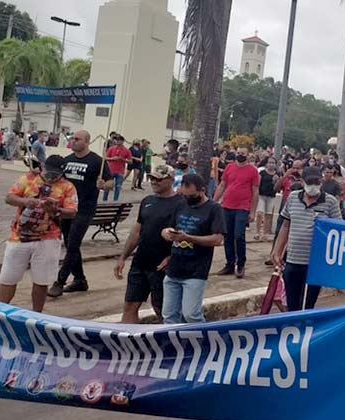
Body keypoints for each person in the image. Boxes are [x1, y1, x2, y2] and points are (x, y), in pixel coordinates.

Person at [0, 155, 78, 312]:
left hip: (48, 238)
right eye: (48, 172)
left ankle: (37, 314)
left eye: (56, 174)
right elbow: (9, 197)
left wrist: (56, 210)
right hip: (19, 236)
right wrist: (26, 201)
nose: (51, 176)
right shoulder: (28, 178)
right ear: (43, 167)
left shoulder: (67, 186)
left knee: (41, 280)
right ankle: (1, 313)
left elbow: (72, 211)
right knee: (8, 278)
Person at [114, 165, 183, 322]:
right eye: (152, 178)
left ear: (171, 180)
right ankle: (129, 342)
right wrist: (123, 257)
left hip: (162, 264)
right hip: (141, 261)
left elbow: (184, 236)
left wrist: (172, 257)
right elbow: (136, 231)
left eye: (159, 179)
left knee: (160, 307)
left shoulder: (180, 204)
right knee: (130, 304)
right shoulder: (147, 201)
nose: (154, 182)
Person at [48, 130, 112, 298]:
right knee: (70, 245)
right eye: (73, 139)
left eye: (78, 139)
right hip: (67, 210)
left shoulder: (98, 161)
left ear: (87, 141)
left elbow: (111, 182)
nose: (74, 141)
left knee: (73, 244)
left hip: (84, 210)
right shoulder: (67, 160)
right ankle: (80, 280)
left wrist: (104, 184)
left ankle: (60, 281)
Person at [271, 166, 342, 311]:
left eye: (316, 182)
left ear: (321, 182)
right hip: (292, 259)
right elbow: (286, 225)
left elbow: (338, 231)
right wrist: (277, 251)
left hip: (315, 263)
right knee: (291, 303)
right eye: (310, 182)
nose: (313, 185)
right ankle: (294, 329)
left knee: (307, 304)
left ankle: (304, 329)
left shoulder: (330, 202)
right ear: (303, 182)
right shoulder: (293, 197)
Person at [159, 174, 224, 324]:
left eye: (192, 196)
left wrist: (189, 238)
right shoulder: (180, 205)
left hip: (196, 271)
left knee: (191, 315)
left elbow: (217, 239)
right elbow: (168, 227)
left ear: (202, 191)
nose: (188, 199)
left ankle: (205, 340)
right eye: (185, 195)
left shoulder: (214, 209)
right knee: (169, 315)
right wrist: (167, 234)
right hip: (174, 268)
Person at [213, 146, 259, 278]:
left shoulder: (253, 171)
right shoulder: (229, 167)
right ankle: (229, 264)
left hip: (243, 207)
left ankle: (241, 263)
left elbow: (255, 191)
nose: (240, 155)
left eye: (243, 153)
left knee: (239, 235)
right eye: (238, 153)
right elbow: (222, 185)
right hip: (227, 205)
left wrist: (252, 211)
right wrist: (214, 201)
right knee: (227, 236)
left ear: (248, 155)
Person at [255, 158, 280, 240]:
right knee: (259, 213)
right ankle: (258, 232)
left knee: (268, 214)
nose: (271, 164)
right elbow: (258, 184)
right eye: (270, 162)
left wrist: (277, 181)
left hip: (271, 196)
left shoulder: (277, 174)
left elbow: (278, 187)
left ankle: (265, 233)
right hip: (261, 195)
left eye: (273, 163)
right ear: (266, 164)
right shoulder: (262, 173)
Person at [102, 135, 132, 201]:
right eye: (117, 140)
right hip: (111, 170)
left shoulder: (126, 150)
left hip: (120, 171)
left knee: (118, 187)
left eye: (120, 140)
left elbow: (130, 161)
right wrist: (113, 158)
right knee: (108, 186)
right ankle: (104, 199)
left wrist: (123, 159)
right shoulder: (111, 148)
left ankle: (115, 200)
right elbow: (105, 158)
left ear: (123, 141)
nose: (118, 142)